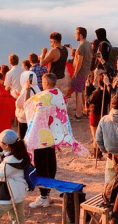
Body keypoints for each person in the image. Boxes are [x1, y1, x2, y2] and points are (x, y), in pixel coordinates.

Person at [23, 72, 85, 207]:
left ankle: (44, 196)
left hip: (41, 136)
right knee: (50, 163)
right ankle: (47, 194)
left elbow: (27, 106)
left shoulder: (43, 97)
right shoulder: (60, 96)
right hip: (53, 135)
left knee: (41, 165)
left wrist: (27, 90)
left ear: (46, 83)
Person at [72, 27, 93, 119]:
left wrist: (75, 73)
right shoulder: (88, 44)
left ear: (80, 35)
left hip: (81, 72)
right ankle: (85, 110)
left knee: (78, 93)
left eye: (76, 34)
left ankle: (78, 113)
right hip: (87, 71)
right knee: (84, 92)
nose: (75, 35)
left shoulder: (81, 47)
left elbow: (79, 61)